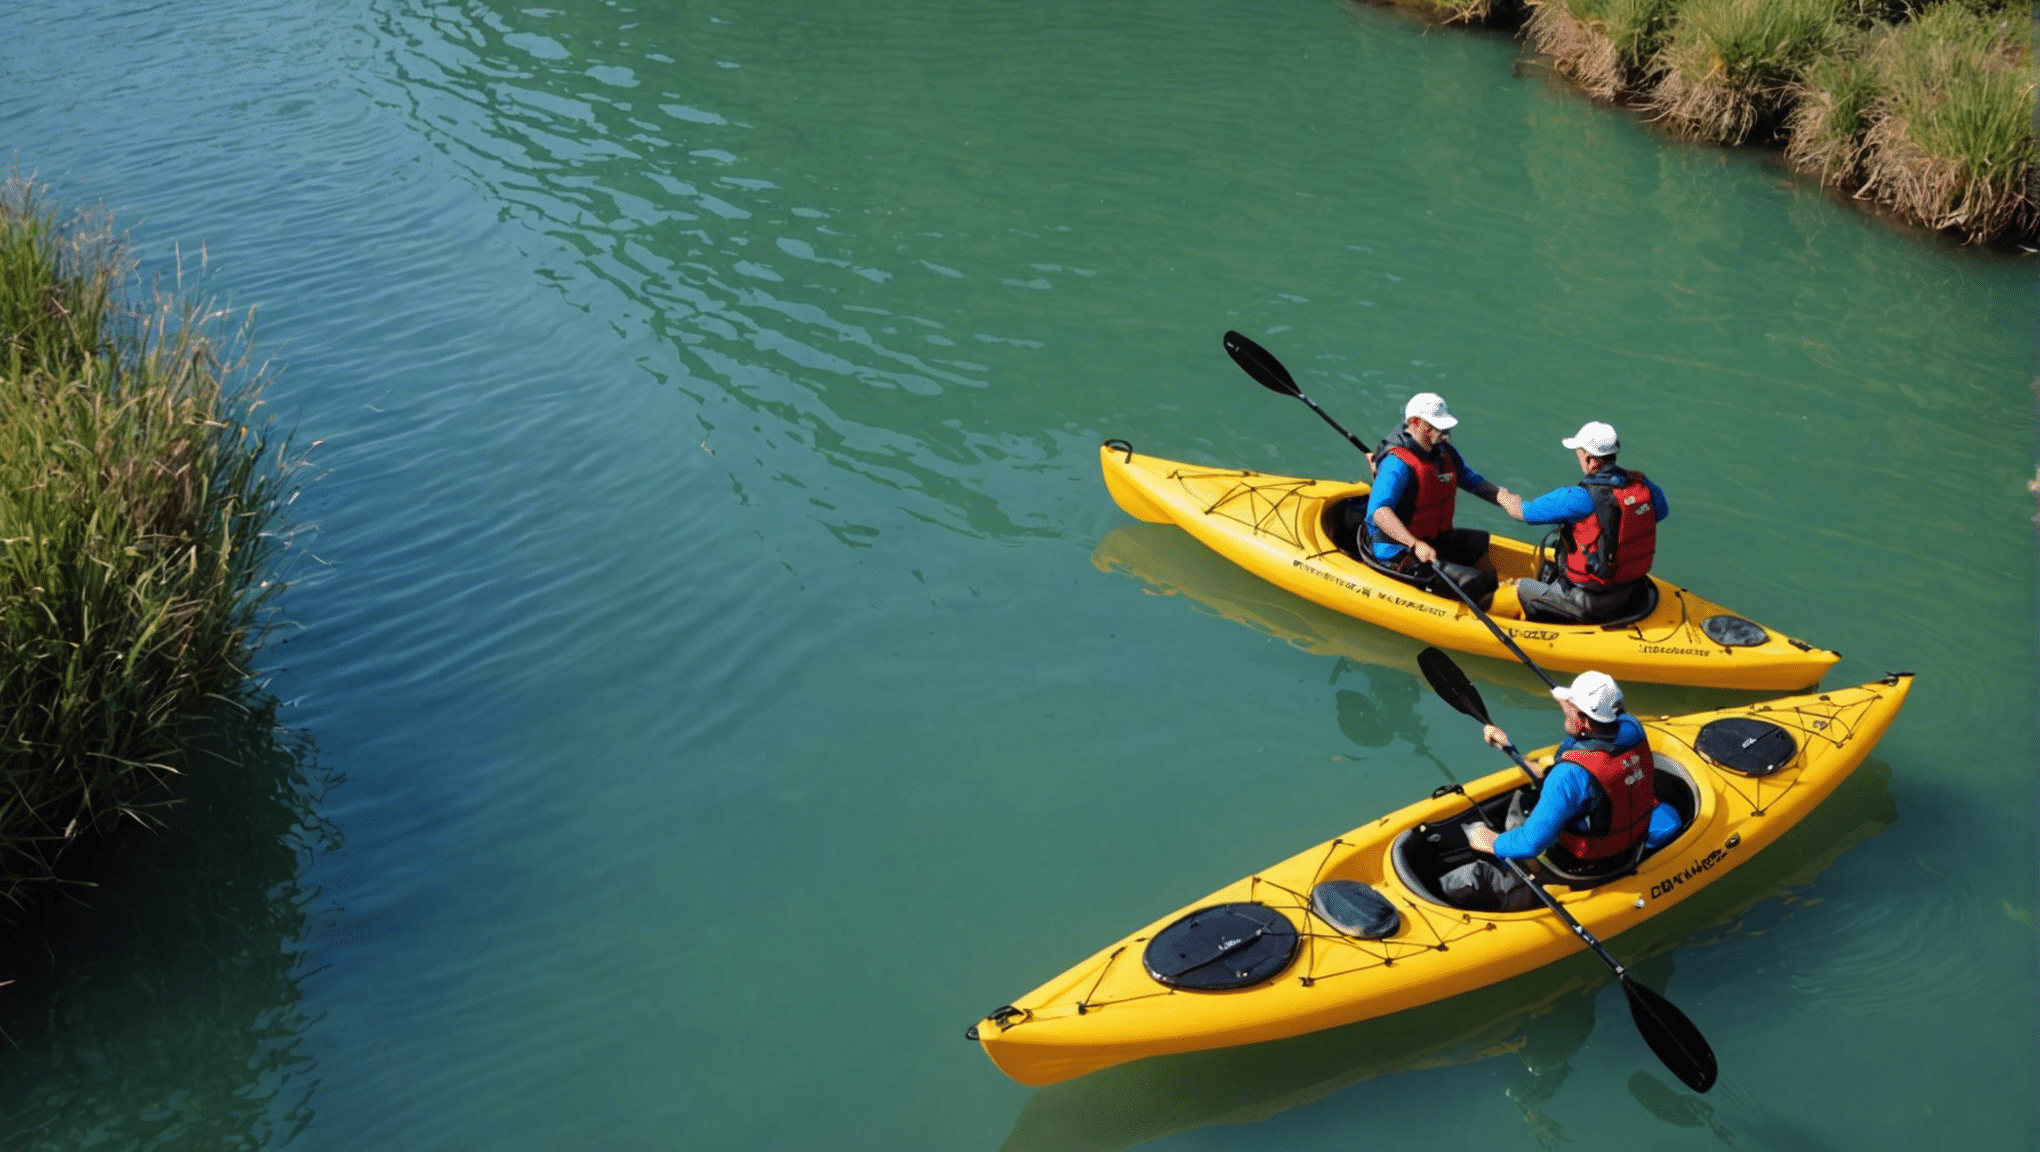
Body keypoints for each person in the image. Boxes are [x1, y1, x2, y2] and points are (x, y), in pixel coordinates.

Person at [1439, 670, 1684, 912]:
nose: (1563, 706)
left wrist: (1491, 841)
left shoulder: (1569, 775)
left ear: (1585, 721)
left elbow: (1531, 843)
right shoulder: (1633, 729)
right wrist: (1508, 748)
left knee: (1491, 846)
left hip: (1583, 864)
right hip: (1631, 846)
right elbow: (1583, 776)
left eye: (1569, 704)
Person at [1334, 392, 1511, 609]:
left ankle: (1497, 597)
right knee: (1470, 581)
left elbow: (1472, 481)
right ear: (1415, 423)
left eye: (1446, 427)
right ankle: (1479, 609)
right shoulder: (1396, 464)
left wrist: (1502, 497)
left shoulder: (1443, 453)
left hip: (1433, 539)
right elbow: (1379, 512)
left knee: (1478, 544)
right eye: (1437, 427)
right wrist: (1414, 544)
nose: (1444, 433)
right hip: (1398, 550)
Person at [1496, 421, 1668, 624]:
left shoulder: (1578, 498)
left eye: (1578, 454)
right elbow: (1661, 512)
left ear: (1589, 459)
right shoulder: (1643, 485)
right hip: (1633, 591)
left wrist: (1503, 497)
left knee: (1519, 588)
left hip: (1590, 602)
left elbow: (1522, 513)